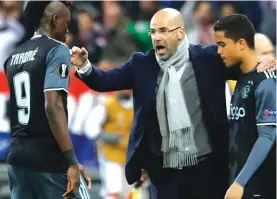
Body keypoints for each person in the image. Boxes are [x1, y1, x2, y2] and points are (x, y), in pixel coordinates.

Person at [70, 8, 276, 199]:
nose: (157, 37)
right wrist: (85, 66)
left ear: (180, 32)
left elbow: (245, 65)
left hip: (208, 170)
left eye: (163, 31)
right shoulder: (141, 64)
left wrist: (268, 62)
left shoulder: (208, 58)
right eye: (153, 32)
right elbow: (105, 81)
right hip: (164, 175)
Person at [3, 1, 91, 199]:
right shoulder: (57, 49)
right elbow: (53, 106)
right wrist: (71, 161)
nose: (68, 30)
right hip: (48, 159)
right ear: (54, 20)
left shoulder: (13, 55)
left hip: (18, 158)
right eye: (67, 23)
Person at [214, 14, 276, 199]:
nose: (218, 51)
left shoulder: (266, 82)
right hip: (240, 184)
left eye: (222, 44)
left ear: (241, 43)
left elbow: (267, 136)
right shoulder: (242, 77)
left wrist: (240, 182)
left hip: (259, 187)